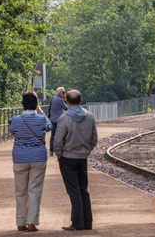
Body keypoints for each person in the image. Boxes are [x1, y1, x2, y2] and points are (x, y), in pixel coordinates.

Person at [53, 90, 98, 231]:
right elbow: (94, 138)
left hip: (67, 158)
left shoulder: (64, 118)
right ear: (81, 100)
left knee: (73, 190)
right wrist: (86, 151)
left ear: (66, 101)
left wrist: (59, 154)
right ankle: (87, 223)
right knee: (83, 190)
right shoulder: (90, 117)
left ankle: (77, 223)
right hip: (82, 158)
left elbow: (58, 140)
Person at [9, 91, 52, 232]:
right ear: (36, 104)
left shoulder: (15, 120)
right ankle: (32, 222)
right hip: (38, 158)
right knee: (35, 190)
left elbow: (13, 132)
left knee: (20, 190)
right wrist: (40, 111)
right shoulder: (41, 118)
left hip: (20, 157)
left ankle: (20, 222)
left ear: (22, 104)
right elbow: (49, 126)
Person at [49, 87, 68, 156]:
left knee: (53, 135)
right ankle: (60, 150)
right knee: (61, 135)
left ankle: (51, 150)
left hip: (52, 119)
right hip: (59, 120)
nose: (64, 94)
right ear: (60, 93)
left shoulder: (53, 99)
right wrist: (65, 100)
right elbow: (66, 108)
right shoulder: (60, 100)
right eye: (63, 92)